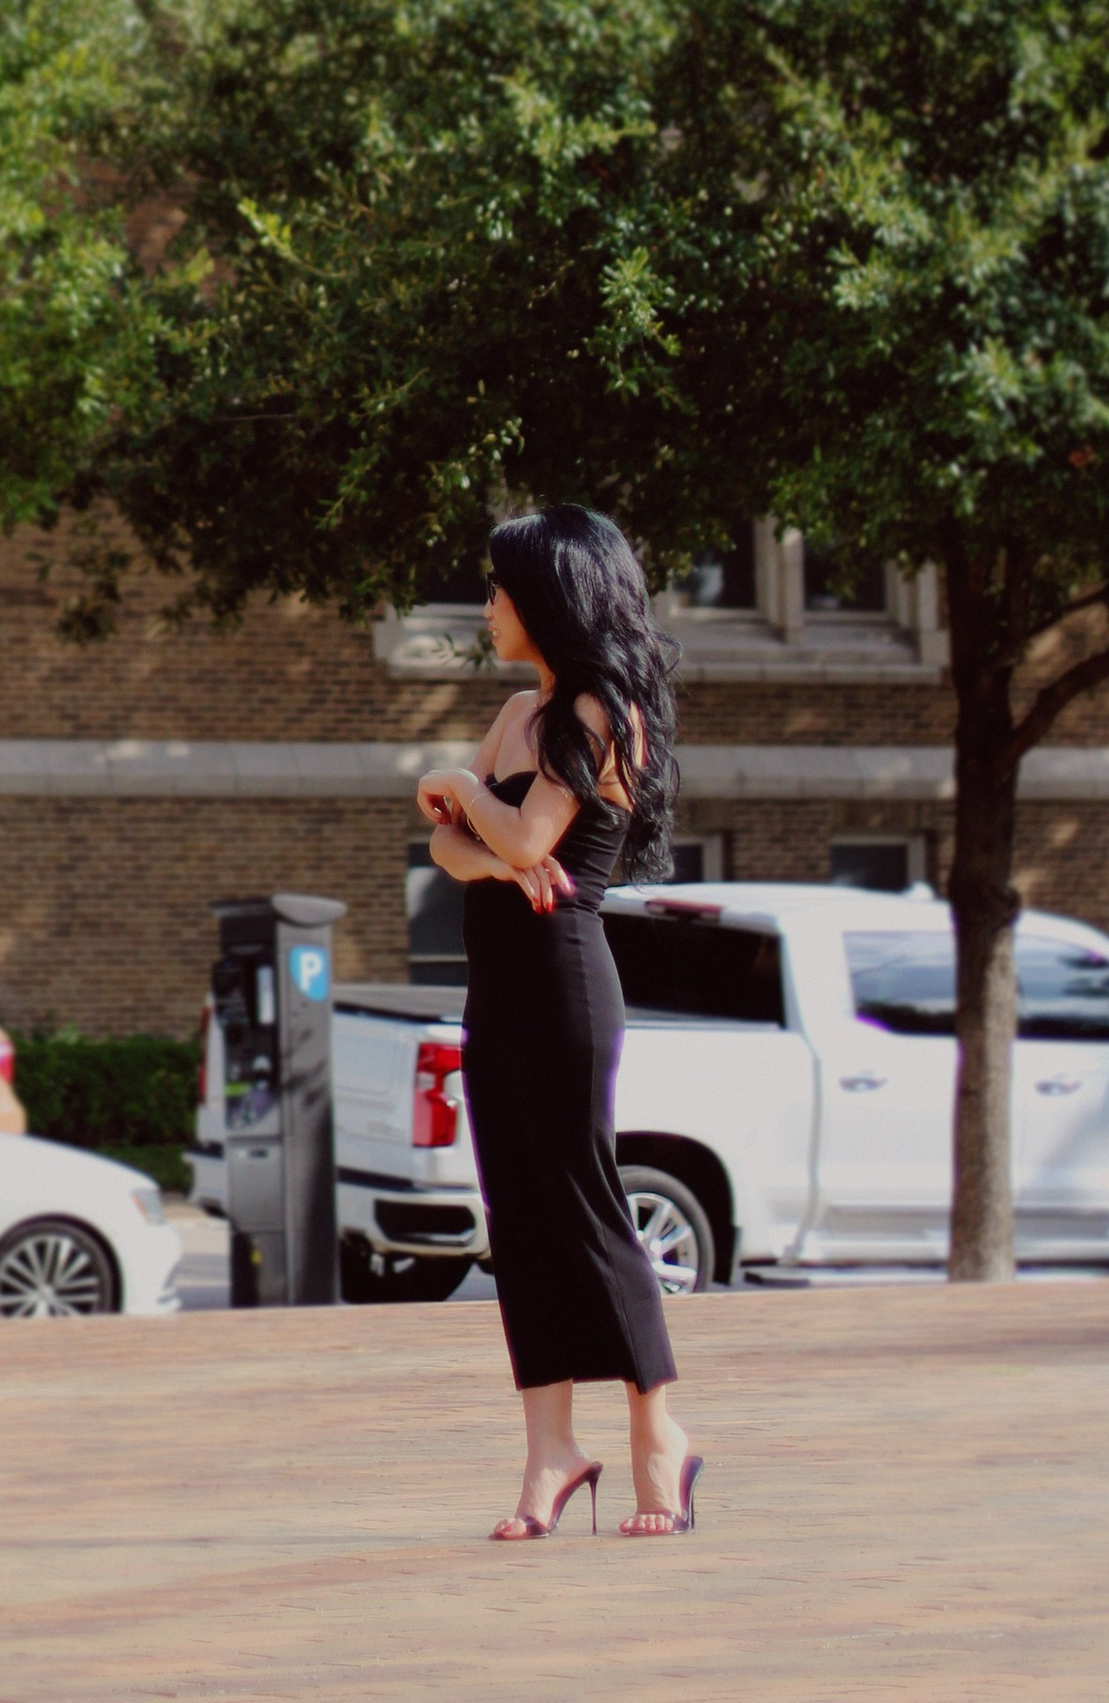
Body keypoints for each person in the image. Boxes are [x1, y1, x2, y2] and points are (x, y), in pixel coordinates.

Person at [417, 504, 705, 1542]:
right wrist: (490, 848)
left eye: (500, 587)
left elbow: (526, 831)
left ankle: (659, 1435)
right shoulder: (516, 713)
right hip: (496, 987)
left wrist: (459, 790)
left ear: (551, 594)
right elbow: (452, 852)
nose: (488, 604)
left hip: (565, 984)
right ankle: (551, 1451)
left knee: (585, 1206)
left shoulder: (598, 710)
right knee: (520, 1217)